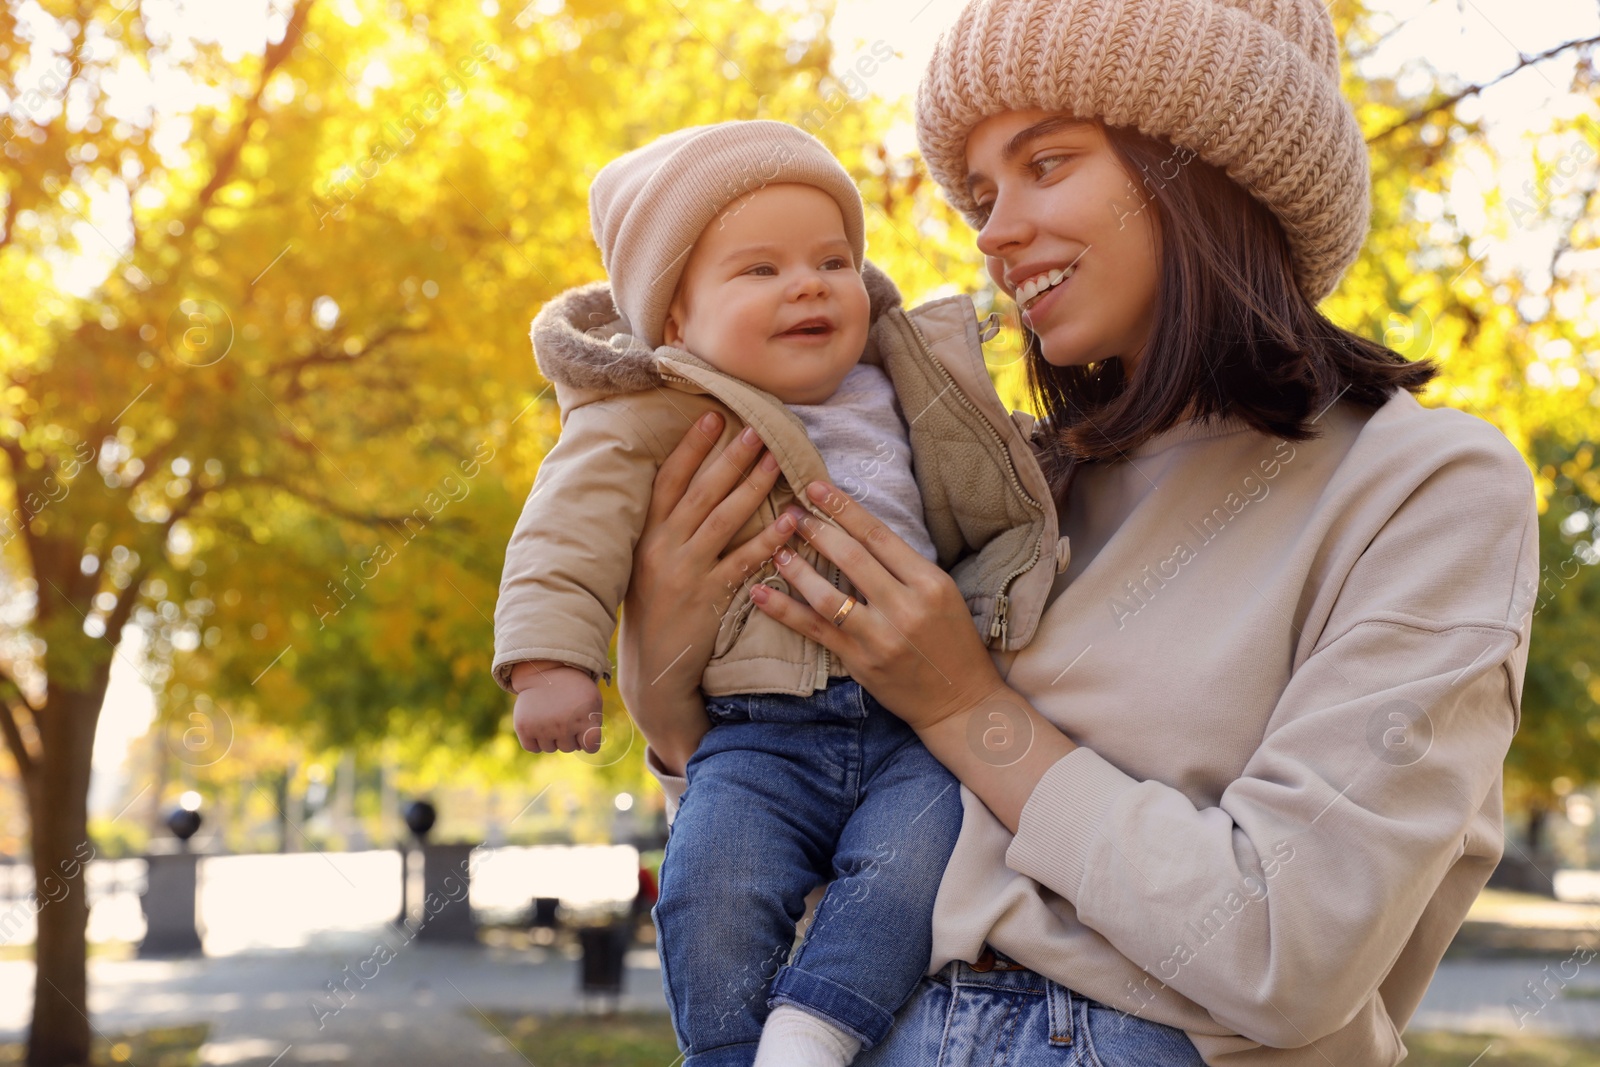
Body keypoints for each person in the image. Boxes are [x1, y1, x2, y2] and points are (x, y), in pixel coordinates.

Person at [617, 2, 1541, 1065]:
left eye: (1043, 163)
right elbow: (805, 833)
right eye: (980, 193)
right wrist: (669, 700)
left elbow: (1289, 950)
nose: (991, 231)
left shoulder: (1423, 486)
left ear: (1200, 163)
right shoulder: (1004, 488)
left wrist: (969, 707)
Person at [492, 120, 1059, 1066]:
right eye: (758, 271)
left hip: (913, 724)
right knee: (712, 877)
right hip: (759, 729)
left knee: (917, 863)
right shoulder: (652, 412)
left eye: (832, 260)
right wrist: (552, 660)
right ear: (675, 320)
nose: (807, 284)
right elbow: (565, 526)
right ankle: (722, 1048)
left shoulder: (903, 376)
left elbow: (988, 482)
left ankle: (815, 1026)